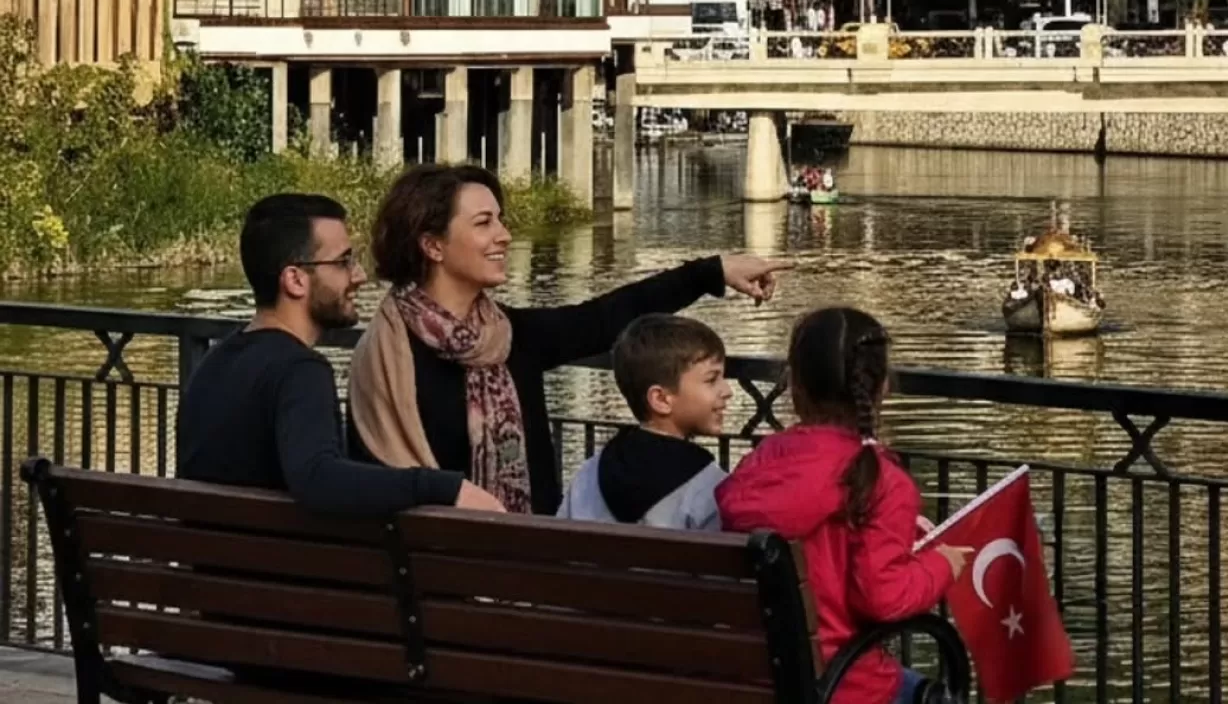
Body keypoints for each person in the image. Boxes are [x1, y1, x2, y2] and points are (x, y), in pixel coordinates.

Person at [348, 164, 789, 515]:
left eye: (500, 219)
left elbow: (606, 317)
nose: (504, 235)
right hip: (466, 587)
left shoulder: (509, 337)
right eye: (484, 223)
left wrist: (712, 271)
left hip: (475, 584)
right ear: (433, 246)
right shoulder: (389, 355)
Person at [177, 193, 503, 516]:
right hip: (272, 565)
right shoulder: (300, 369)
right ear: (295, 280)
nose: (359, 275)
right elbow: (319, 478)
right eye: (343, 262)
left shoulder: (216, 361)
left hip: (208, 562)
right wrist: (445, 487)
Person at [715, 307, 971, 704]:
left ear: (794, 384)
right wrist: (942, 565)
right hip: (843, 685)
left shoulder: (762, 463)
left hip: (754, 679)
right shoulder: (880, 480)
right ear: (881, 386)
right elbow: (883, 598)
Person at [557, 314, 729, 530]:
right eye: (712, 380)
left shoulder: (590, 473)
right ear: (660, 399)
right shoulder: (710, 488)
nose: (727, 391)